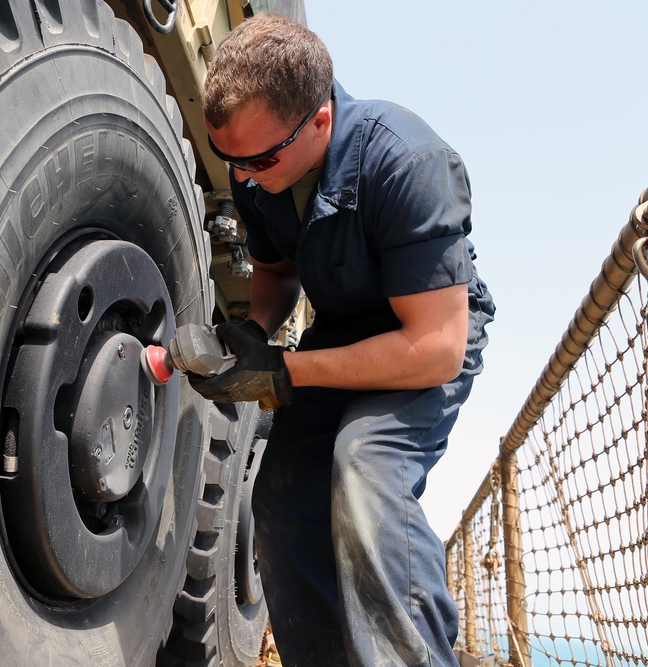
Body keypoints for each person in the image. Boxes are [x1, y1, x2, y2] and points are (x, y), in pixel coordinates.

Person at [189, 12, 495, 667]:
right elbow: (274, 269)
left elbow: (436, 345)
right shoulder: (258, 173)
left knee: (364, 466)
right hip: (342, 334)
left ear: (320, 121)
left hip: (430, 341)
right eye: (227, 158)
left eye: (259, 158)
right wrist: (254, 331)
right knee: (282, 492)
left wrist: (285, 373)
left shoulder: (407, 161)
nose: (241, 177)